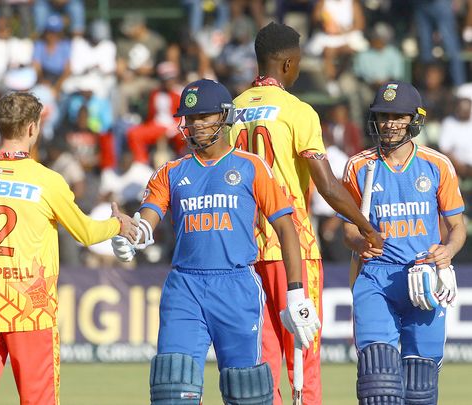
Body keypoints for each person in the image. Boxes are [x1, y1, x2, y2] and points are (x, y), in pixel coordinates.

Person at [112, 79, 321, 404]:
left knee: (247, 394)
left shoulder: (252, 166)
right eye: (190, 118)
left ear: (225, 116)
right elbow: (147, 220)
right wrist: (132, 234)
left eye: (204, 116)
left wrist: (295, 294)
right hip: (185, 289)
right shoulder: (170, 171)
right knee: (172, 389)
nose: (195, 125)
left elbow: (287, 229)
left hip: (237, 286)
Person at [0, 92, 139, 405]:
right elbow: (85, 232)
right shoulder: (47, 181)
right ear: (32, 128)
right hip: (31, 312)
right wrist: (117, 224)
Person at [228, 22, 384, 405]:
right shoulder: (297, 110)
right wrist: (366, 227)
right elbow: (328, 186)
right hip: (291, 246)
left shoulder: (232, 110)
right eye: (297, 64)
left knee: (260, 358)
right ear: (287, 64)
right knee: (303, 350)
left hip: (244, 249)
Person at [342, 81, 466, 404]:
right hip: (376, 280)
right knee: (378, 383)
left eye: (398, 116)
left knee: (420, 389)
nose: (390, 123)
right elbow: (348, 230)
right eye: (384, 115)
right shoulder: (359, 166)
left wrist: (447, 251)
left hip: (424, 280)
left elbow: (457, 227)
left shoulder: (437, 165)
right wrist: (360, 243)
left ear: (414, 119)